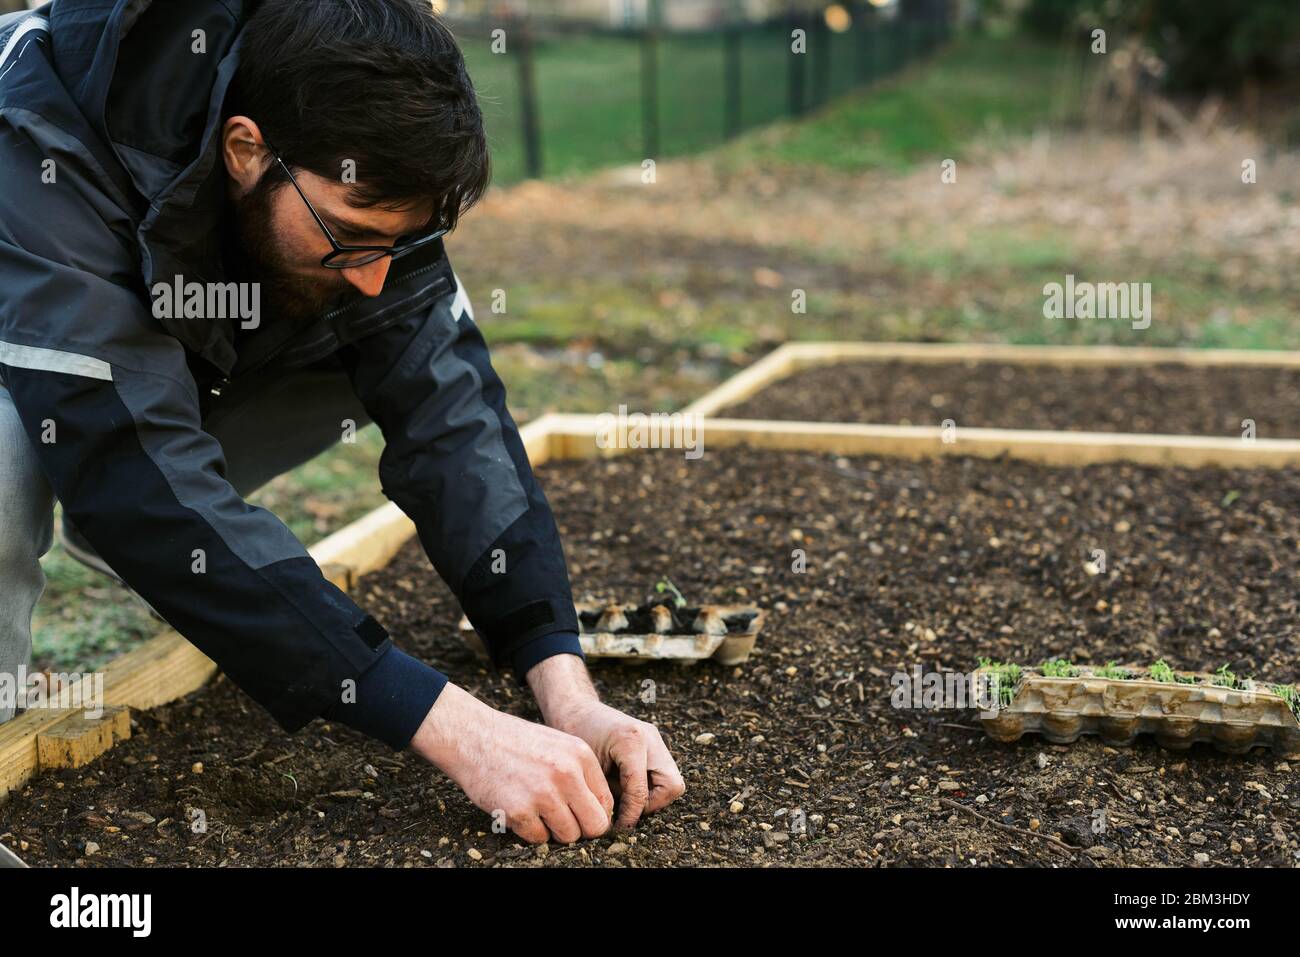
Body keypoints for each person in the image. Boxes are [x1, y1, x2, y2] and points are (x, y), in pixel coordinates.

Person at [0, 0, 684, 845]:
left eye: (392, 243)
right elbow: (122, 451)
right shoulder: (40, 141)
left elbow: (453, 414)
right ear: (245, 149)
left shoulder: (343, 138)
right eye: (354, 235)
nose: (373, 275)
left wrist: (564, 686)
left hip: (163, 338)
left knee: (375, 327)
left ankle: (156, 541)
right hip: (27, 314)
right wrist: (458, 730)